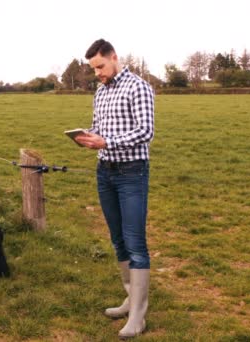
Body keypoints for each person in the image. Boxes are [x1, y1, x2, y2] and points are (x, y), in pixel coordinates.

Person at [74, 39, 154, 339]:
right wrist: (88, 137)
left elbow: (145, 131)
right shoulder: (100, 92)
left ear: (114, 58)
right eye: (93, 69)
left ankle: (138, 316)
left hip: (132, 173)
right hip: (104, 172)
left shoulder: (138, 87)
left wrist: (107, 142)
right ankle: (130, 298)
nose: (98, 73)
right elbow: (99, 127)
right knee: (118, 239)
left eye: (100, 67)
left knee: (135, 242)